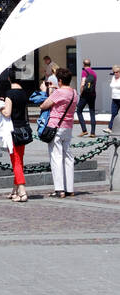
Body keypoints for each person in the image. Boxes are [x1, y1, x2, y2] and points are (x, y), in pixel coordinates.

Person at [42, 69, 78, 198]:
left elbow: (44, 105)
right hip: (68, 127)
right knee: (68, 157)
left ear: (60, 80)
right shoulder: (74, 93)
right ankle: (70, 188)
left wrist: (51, 91)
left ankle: (59, 189)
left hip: (56, 126)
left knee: (56, 157)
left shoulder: (58, 92)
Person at [0, 70, 31, 203]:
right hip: (23, 129)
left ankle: (22, 192)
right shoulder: (23, 93)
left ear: (8, 79)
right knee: (19, 160)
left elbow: (7, 113)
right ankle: (15, 190)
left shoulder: (9, 93)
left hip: (13, 130)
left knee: (16, 160)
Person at [77, 61, 97, 137]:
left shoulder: (84, 72)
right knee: (92, 112)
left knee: (79, 111)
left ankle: (84, 130)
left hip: (85, 95)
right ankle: (93, 132)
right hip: (93, 94)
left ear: (84, 64)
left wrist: (81, 93)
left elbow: (82, 83)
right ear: (90, 64)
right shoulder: (94, 73)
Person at [109, 66, 120, 132]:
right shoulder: (113, 78)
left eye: (117, 72)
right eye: (114, 72)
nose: (115, 73)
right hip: (114, 98)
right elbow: (111, 85)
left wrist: (115, 86)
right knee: (113, 114)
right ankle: (110, 128)